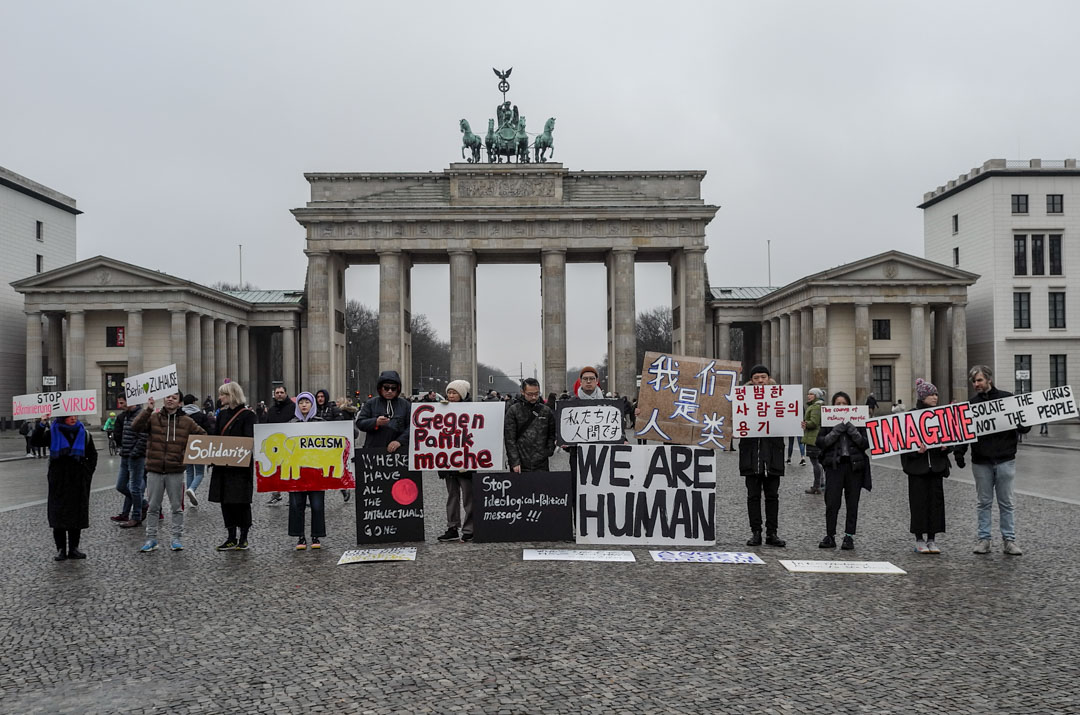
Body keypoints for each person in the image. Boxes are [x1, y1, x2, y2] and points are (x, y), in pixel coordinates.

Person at [955, 365, 1029, 556]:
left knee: (1006, 502)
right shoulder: (970, 405)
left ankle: (1009, 540)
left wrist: (1024, 423)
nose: (976, 384)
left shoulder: (1007, 399)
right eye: (974, 381)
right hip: (981, 461)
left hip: (1005, 459)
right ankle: (984, 540)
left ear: (989, 379)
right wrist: (959, 452)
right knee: (984, 502)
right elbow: (965, 432)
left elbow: (1023, 427)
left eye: (979, 380)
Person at [131, 389, 207, 552]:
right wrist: (148, 409)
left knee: (176, 508)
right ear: (164, 400)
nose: (170, 400)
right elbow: (135, 427)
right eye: (168, 397)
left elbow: (203, 437)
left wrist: (187, 453)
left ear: (180, 402)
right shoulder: (153, 418)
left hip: (175, 470)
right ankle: (151, 539)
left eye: (174, 397)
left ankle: (176, 538)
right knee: (153, 507)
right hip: (155, 469)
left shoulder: (187, 421)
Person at [900, 379, 957, 554]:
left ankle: (932, 539)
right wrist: (915, 451)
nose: (935, 397)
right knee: (918, 504)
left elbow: (952, 438)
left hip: (936, 467)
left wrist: (948, 447)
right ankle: (919, 539)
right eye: (931, 394)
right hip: (917, 468)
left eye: (936, 394)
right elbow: (902, 444)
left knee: (936, 504)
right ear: (922, 396)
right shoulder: (910, 416)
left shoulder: (942, 416)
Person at [815, 391, 872, 550]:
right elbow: (820, 442)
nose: (841, 407)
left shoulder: (859, 421)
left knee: (852, 503)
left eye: (844, 404)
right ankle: (830, 535)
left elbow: (865, 443)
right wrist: (836, 431)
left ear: (849, 405)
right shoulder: (827, 421)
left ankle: (849, 536)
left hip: (854, 466)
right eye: (838, 404)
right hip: (834, 466)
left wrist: (853, 431)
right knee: (832, 502)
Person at [738, 365, 786, 547]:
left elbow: (790, 418)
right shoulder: (741, 400)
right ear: (751, 380)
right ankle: (756, 532)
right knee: (753, 497)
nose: (760, 381)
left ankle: (772, 533)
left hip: (773, 455)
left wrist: (799, 424)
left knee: (772, 497)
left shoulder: (780, 398)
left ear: (768, 378)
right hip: (750, 455)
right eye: (756, 377)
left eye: (763, 377)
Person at [208, 382, 257, 551]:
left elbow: (249, 440)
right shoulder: (221, 414)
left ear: (231, 396)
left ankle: (243, 537)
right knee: (225, 502)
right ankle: (231, 537)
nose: (220, 397)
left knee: (241, 502)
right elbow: (216, 437)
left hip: (240, 468)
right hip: (223, 466)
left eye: (223, 394)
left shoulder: (248, 416)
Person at [48, 415, 98, 561]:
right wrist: (42, 423)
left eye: (75, 415)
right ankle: (61, 549)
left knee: (76, 514)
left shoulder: (84, 433)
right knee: (58, 513)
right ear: (63, 417)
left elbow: (93, 454)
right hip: (59, 480)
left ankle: (74, 548)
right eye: (70, 416)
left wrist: (87, 472)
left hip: (78, 479)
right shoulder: (53, 431)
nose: (73, 418)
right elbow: (36, 441)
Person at [437, 379, 476, 543]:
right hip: (448, 460)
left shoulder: (472, 410)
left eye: (455, 393)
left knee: (469, 497)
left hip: (467, 460)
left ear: (462, 394)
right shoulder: (439, 410)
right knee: (451, 496)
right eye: (449, 392)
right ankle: (452, 527)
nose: (451, 396)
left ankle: (469, 529)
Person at [289, 392, 327, 550]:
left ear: (313, 405)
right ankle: (300, 536)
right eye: (301, 402)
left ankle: (316, 535)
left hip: (316, 470)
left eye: (307, 402)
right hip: (296, 470)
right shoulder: (291, 423)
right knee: (297, 505)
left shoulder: (321, 422)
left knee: (317, 505)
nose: (304, 405)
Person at [504, 378, 556, 473]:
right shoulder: (514, 410)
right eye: (530, 394)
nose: (533, 397)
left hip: (541, 462)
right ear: (522, 392)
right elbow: (509, 439)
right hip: (520, 463)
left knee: (542, 488)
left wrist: (549, 450)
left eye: (536, 394)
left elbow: (552, 433)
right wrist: (514, 461)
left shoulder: (546, 411)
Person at [357, 371, 411, 454]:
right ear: (380, 388)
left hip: (399, 452)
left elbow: (411, 427)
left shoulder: (405, 405)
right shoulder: (371, 403)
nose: (389, 391)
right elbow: (360, 423)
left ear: (398, 389)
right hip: (374, 450)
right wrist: (375, 422)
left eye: (393, 388)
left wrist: (399, 441)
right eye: (386, 388)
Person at [115, 399, 149, 528]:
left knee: (135, 488)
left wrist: (135, 452)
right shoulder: (126, 415)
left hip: (135, 457)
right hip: (125, 455)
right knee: (121, 486)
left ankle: (136, 517)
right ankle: (144, 504)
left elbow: (143, 437)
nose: (120, 405)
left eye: (122, 402)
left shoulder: (141, 414)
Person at [263, 385, 295, 505]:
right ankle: (276, 494)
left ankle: (292, 494)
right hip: (276, 445)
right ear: (274, 395)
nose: (279, 394)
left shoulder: (293, 407)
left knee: (290, 469)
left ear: (286, 393)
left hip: (289, 445)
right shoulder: (271, 410)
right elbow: (267, 425)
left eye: (281, 392)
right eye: (277, 393)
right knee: (276, 470)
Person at [181, 394, 212, 506]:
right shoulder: (200, 415)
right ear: (193, 403)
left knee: (189, 471)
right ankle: (192, 489)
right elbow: (208, 430)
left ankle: (190, 495)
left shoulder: (181, 415)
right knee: (199, 472)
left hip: (184, 445)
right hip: (198, 446)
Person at [802, 388, 825, 495]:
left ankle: (817, 486)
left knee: (815, 463)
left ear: (816, 395)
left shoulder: (816, 407)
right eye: (808, 393)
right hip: (815, 437)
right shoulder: (818, 405)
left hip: (813, 437)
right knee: (818, 463)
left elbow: (814, 422)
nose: (808, 395)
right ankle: (821, 483)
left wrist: (806, 423)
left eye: (811, 394)